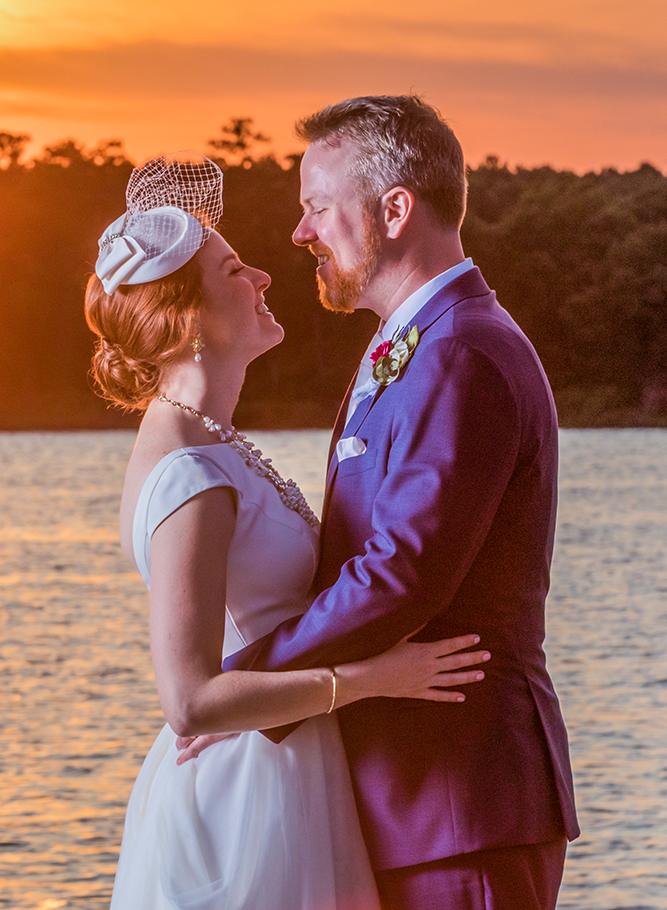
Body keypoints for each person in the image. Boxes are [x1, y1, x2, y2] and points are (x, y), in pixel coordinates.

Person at [184, 96, 580, 910]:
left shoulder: (461, 351)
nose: (300, 233)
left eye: (317, 207)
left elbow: (403, 571)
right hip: (403, 796)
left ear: (395, 209)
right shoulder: (417, 343)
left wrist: (237, 689)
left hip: (457, 801)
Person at [84, 152, 490, 910]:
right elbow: (191, 702)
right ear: (187, 317)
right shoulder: (188, 472)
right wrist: (373, 680)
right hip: (245, 796)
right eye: (234, 270)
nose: (264, 276)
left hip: (289, 767)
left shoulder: (210, 443)